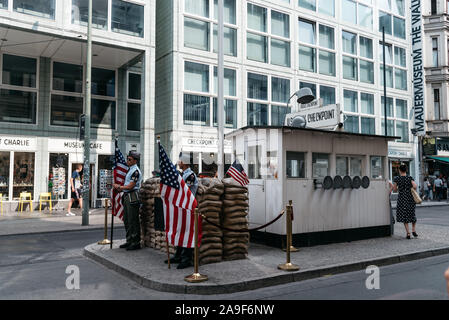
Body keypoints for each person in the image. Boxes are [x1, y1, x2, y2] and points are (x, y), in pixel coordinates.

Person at [165, 152, 198, 269]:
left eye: (180, 161)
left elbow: (184, 192)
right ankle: (178, 255)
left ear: (184, 162)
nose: (178, 163)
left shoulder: (190, 176)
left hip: (188, 208)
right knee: (179, 232)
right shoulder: (182, 174)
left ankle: (186, 259)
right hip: (180, 207)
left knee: (187, 233)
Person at [113, 151, 142, 251]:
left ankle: (135, 242)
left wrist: (119, 187)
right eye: (127, 159)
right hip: (126, 196)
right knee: (127, 219)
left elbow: (131, 186)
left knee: (133, 220)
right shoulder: (130, 170)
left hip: (132, 195)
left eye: (129, 159)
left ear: (135, 160)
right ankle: (129, 240)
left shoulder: (136, 171)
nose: (127, 161)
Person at [389, 164, 418, 239]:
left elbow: (395, 189)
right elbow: (415, 186)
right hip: (410, 198)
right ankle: (413, 230)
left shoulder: (397, 178)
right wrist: (409, 188)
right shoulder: (409, 177)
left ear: (399, 170)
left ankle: (408, 233)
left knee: (404, 216)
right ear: (406, 170)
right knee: (412, 214)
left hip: (402, 199)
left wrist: (395, 186)